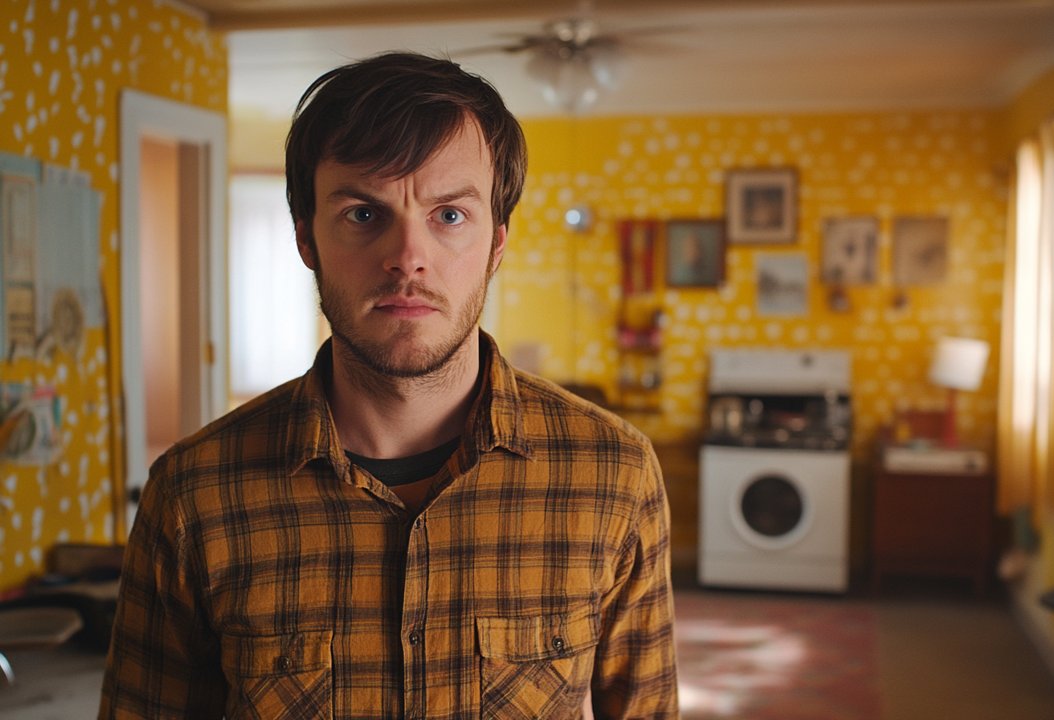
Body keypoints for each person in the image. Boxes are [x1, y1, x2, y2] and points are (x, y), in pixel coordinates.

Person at [99, 52, 678, 719]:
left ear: (497, 245)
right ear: (306, 239)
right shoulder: (191, 496)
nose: (407, 256)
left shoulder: (615, 475)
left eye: (449, 216)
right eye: (363, 215)